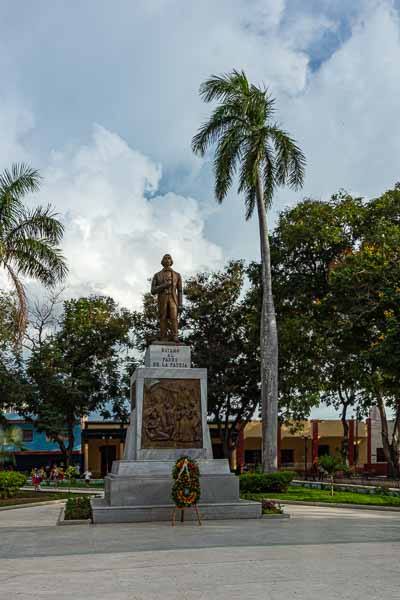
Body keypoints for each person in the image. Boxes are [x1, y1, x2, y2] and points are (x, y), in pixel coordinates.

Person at [151, 254, 183, 341]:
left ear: (171, 261)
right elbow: (153, 290)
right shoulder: (157, 275)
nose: (167, 260)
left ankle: (175, 336)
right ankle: (163, 336)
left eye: (169, 258)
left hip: (173, 299)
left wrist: (180, 304)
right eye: (165, 258)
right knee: (163, 317)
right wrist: (164, 286)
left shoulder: (177, 275)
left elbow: (180, 291)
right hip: (162, 298)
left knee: (174, 317)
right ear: (162, 261)